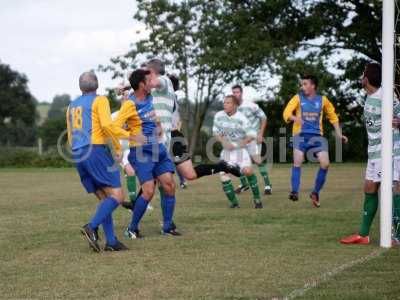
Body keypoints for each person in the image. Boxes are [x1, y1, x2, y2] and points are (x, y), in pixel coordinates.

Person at [66, 71, 129, 252]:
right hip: (95, 150)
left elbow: (70, 134)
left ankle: (111, 241)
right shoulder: (100, 100)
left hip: (78, 153)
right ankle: (91, 226)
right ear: (97, 85)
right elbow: (108, 126)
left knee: (104, 197)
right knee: (117, 196)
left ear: (80, 87)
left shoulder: (71, 105)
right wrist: (117, 147)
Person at [113, 68, 180, 238]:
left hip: (159, 148)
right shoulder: (130, 104)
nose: (152, 83)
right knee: (148, 191)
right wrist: (131, 136)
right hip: (142, 152)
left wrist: (157, 126)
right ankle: (132, 229)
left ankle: (167, 227)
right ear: (142, 85)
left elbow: (153, 117)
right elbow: (115, 127)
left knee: (169, 185)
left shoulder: (151, 97)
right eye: (149, 81)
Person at [340, 63, 400, 245]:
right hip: (374, 153)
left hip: (390, 152)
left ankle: (396, 235)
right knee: (369, 188)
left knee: (396, 188)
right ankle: (364, 235)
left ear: (366, 78)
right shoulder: (370, 96)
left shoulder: (387, 95)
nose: (360, 76)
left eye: (362, 74)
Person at [283, 74, 348, 207]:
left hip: (317, 136)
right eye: (302, 84)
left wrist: (339, 134)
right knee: (298, 161)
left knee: (325, 163)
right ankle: (294, 192)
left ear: (313, 86)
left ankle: (315, 192)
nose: (302, 86)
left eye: (305, 84)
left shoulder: (322, 100)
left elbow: (333, 117)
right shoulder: (297, 98)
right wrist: (295, 119)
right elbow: (286, 113)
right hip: (300, 135)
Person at [213, 95, 263, 208]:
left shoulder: (242, 118)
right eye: (224, 102)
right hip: (226, 152)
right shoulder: (219, 116)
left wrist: (238, 144)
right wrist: (223, 141)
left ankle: (257, 200)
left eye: (228, 103)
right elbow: (216, 132)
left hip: (241, 151)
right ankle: (234, 203)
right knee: (223, 175)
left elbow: (251, 135)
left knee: (248, 171)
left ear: (235, 105)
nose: (225, 105)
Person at [112, 86, 154, 210]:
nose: (126, 98)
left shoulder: (137, 113)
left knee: (143, 173)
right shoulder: (115, 116)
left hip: (134, 148)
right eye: (124, 96)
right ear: (121, 100)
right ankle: (134, 203)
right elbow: (111, 131)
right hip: (121, 150)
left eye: (128, 95)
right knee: (130, 172)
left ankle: (141, 201)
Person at [232, 84, 272, 195]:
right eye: (233, 92)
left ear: (241, 93)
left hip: (253, 137)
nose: (235, 94)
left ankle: (268, 185)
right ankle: (244, 184)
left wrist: (260, 133)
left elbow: (263, 117)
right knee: (238, 162)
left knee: (257, 161)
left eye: (237, 92)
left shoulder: (251, 105)